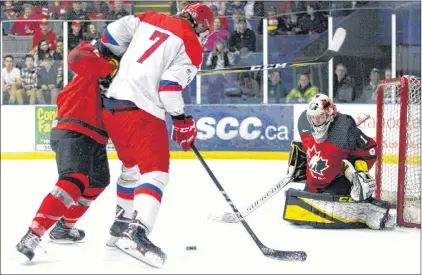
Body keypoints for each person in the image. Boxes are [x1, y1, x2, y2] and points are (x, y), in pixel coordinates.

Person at [98, 3, 214, 267]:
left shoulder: (149, 17)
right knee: (156, 172)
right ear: (199, 25)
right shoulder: (191, 45)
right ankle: (136, 232)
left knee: (132, 169)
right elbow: (169, 89)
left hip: (112, 105)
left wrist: (125, 58)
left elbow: (109, 37)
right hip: (141, 110)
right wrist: (182, 120)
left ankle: (120, 226)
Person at [15, 40, 119, 261]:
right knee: (74, 179)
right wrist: (109, 64)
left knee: (98, 181)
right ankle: (33, 233)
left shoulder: (130, 74)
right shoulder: (95, 58)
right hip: (74, 125)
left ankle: (64, 227)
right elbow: (76, 56)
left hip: (97, 135)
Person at [283, 94, 395, 230]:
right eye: (313, 117)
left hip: (337, 179)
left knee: (328, 210)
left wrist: (361, 170)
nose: (316, 121)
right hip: (314, 182)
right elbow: (311, 147)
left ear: (330, 114)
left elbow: (370, 149)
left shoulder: (345, 128)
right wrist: (298, 161)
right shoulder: (303, 122)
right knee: (300, 217)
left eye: (320, 116)